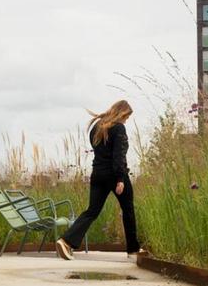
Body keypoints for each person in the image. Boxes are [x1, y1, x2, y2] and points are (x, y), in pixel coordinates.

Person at [56, 100, 144, 260]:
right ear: (121, 113)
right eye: (126, 116)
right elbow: (118, 156)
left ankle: (66, 241)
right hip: (115, 175)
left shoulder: (97, 127)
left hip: (97, 174)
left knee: (92, 211)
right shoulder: (118, 128)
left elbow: (100, 152)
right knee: (128, 209)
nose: (126, 120)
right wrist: (120, 179)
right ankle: (133, 249)